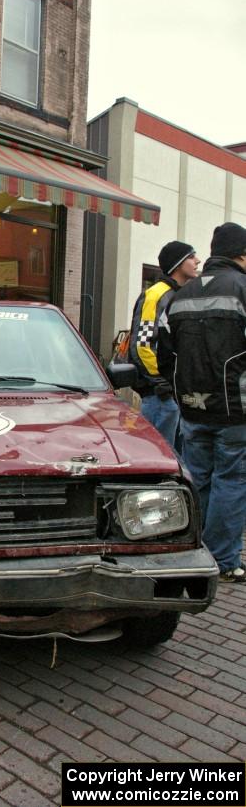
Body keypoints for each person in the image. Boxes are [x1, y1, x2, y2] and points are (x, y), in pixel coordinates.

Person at [158, 222, 246, 582]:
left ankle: (197, 550)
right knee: (232, 479)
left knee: (200, 479)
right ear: (241, 254)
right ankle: (224, 560)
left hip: (193, 407)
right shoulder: (243, 289)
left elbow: (164, 354)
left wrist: (181, 390)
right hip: (235, 409)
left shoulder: (180, 295)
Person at [128, 240, 200, 447]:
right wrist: (161, 381)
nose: (198, 260)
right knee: (158, 454)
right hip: (160, 395)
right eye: (191, 256)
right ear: (177, 264)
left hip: (171, 394)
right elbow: (142, 344)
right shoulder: (157, 294)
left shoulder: (176, 294)